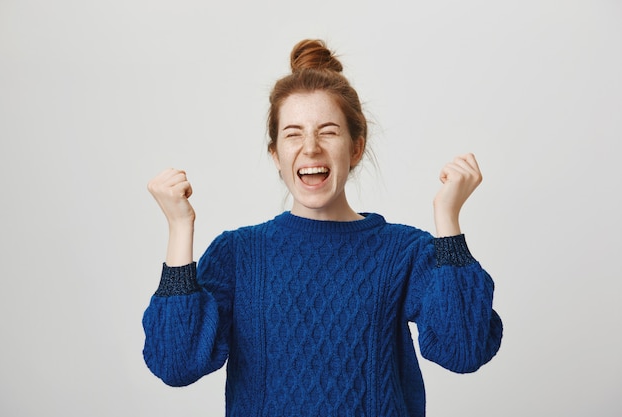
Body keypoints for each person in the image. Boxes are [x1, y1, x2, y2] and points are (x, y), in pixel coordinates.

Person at [143, 39, 503, 417]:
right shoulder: (238, 254)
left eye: (328, 131)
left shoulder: (404, 252)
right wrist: (179, 228)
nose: (311, 147)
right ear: (276, 155)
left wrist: (448, 220)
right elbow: (175, 363)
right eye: (293, 133)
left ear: (356, 148)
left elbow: (464, 349)